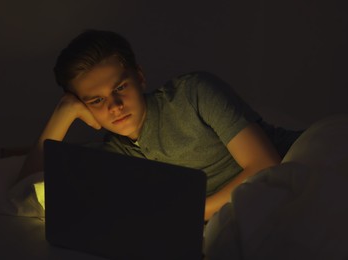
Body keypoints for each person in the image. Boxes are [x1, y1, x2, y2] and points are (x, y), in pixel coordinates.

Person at [19, 29, 303, 221]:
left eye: (120, 87)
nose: (114, 106)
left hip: (303, 161)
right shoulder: (116, 153)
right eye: (96, 101)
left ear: (140, 77)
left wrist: (189, 214)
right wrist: (63, 113)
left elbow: (266, 165)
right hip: (247, 210)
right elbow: (23, 195)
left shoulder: (194, 94)